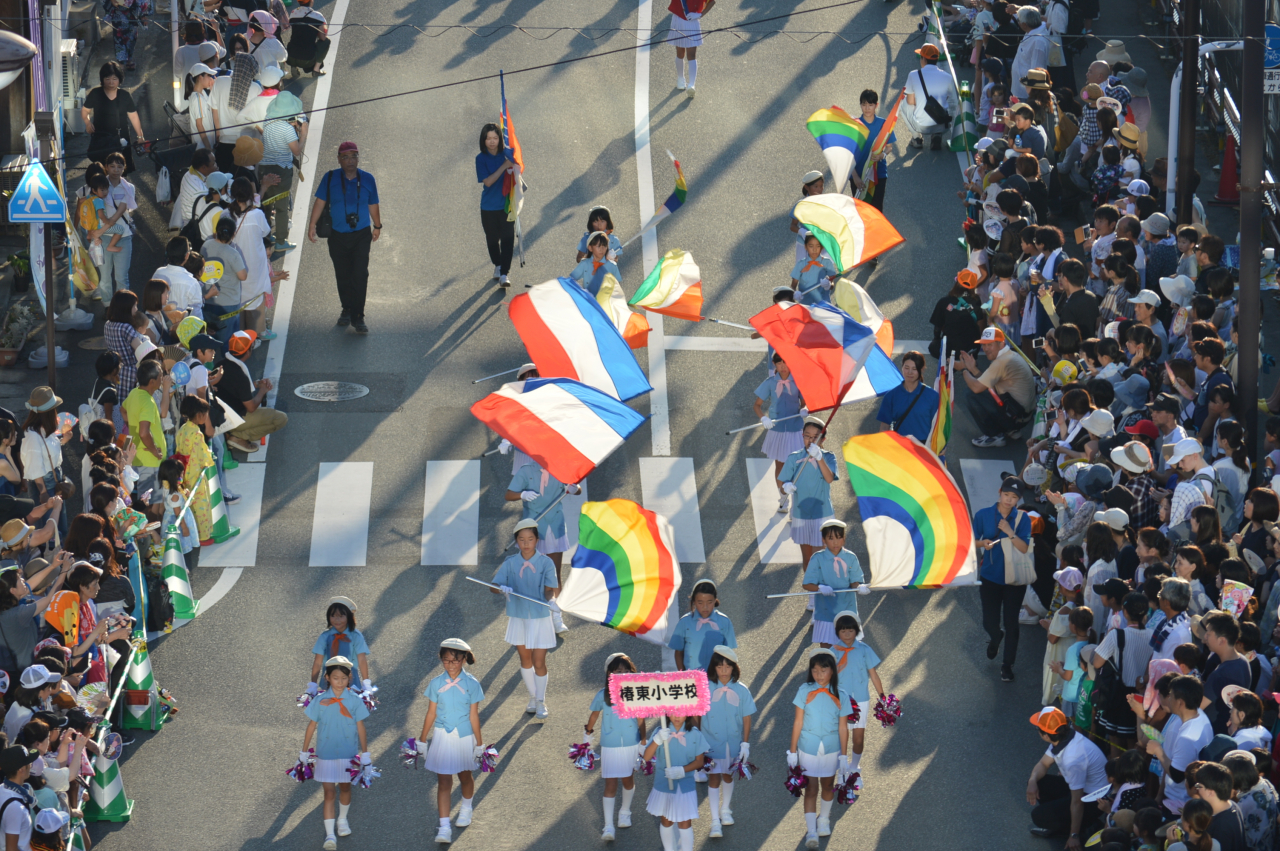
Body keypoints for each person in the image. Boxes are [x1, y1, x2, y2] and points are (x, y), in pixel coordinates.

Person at [417, 638, 485, 846]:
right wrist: (422, 739)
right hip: (442, 736)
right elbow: (431, 713)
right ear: (441, 660)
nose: (451, 665)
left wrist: (479, 744)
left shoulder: (472, 684)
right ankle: (444, 826)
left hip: (465, 737)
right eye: (446, 660)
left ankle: (466, 808)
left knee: (465, 776)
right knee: (444, 782)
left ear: (464, 659)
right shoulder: (436, 683)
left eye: (455, 660)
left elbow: (474, 716)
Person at [309, 142, 381, 332]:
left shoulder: (367, 179)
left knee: (359, 274)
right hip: (337, 235)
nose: (351, 161)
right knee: (343, 274)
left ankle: (359, 316)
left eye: (354, 156)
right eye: (346, 157)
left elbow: (373, 203)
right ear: (339, 159)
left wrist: (378, 226)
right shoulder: (330, 177)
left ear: (358, 158)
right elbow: (320, 201)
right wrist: (311, 225)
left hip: (361, 235)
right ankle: (346, 309)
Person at [491, 519, 558, 718]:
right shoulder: (510, 563)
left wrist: (552, 601)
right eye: (521, 539)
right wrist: (501, 589)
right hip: (518, 617)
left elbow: (549, 591)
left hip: (540, 618)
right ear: (516, 541)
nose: (526, 543)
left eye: (530, 539)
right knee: (525, 660)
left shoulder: (546, 562)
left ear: (537, 540)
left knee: (539, 662)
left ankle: (541, 700)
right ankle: (532, 696)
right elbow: (493, 586)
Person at [302, 655, 371, 851]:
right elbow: (311, 725)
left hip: (348, 753)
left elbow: (361, 727)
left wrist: (365, 754)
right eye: (335, 678)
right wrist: (304, 751)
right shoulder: (320, 700)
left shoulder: (355, 700)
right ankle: (330, 835)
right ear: (327, 678)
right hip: (325, 754)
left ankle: (342, 820)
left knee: (346, 789)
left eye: (343, 678)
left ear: (349, 679)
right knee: (329, 793)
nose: (339, 682)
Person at [505, 461, 578, 633]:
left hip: (555, 527)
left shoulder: (561, 469)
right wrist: (522, 494)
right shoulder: (526, 470)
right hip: (533, 530)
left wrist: (574, 489)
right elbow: (508, 494)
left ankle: (556, 616)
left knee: (554, 574)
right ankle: (532, 616)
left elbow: (577, 488)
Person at [788, 648, 850, 849]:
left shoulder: (841, 694)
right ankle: (811, 831)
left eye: (823, 670)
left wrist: (844, 755)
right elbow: (797, 722)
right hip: (808, 747)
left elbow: (843, 726)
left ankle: (824, 819)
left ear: (832, 670)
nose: (819, 675)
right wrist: (792, 751)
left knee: (828, 785)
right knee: (811, 788)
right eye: (815, 670)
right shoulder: (804, 690)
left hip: (832, 748)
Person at [975, 477, 1033, 681]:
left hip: (1015, 579)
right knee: (989, 622)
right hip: (990, 576)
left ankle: (1007, 665)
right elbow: (970, 541)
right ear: (1000, 492)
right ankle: (994, 637)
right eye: (1006, 495)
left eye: (1014, 497)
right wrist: (983, 544)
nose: (1009, 500)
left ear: (1019, 499)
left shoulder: (1023, 519)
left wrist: (1009, 532)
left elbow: (1024, 548)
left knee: (1012, 623)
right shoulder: (983, 514)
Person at [585, 653, 646, 840]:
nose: (623, 674)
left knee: (628, 780)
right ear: (610, 673)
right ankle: (608, 826)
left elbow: (640, 719)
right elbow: (594, 715)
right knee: (610, 783)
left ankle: (625, 812)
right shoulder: (602, 695)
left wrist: (643, 742)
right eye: (618, 671)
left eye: (627, 671)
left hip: (630, 743)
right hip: (610, 745)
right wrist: (587, 734)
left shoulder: (636, 693)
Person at [1026, 706, 1108, 846]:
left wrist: (1073, 836)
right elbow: (1043, 764)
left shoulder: (1072, 759)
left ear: (1046, 735)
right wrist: (1032, 780)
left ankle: (1079, 829)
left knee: (1039, 816)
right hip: (1082, 789)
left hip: (1094, 800)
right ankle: (1065, 823)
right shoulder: (1066, 736)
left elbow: (1077, 801)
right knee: (1039, 783)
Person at [700, 646, 753, 837]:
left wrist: (745, 743)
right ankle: (715, 820)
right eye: (719, 666)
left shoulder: (741, 690)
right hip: (710, 742)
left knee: (728, 775)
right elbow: (697, 715)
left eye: (727, 666)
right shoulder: (704, 688)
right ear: (713, 667)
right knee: (714, 778)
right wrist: (697, 738)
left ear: (734, 668)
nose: (723, 670)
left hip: (732, 742)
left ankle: (726, 809)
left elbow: (747, 718)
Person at [779, 417, 839, 581]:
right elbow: (782, 481)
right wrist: (785, 487)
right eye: (807, 436)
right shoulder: (794, 458)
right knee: (808, 559)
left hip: (823, 513)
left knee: (820, 557)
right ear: (802, 436)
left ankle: (822, 589)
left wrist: (819, 458)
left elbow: (829, 478)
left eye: (815, 437)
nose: (810, 440)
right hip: (801, 514)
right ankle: (813, 593)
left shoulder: (829, 457)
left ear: (823, 439)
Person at [831, 610, 883, 791]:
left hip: (861, 700)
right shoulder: (832, 652)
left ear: (857, 631)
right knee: (841, 738)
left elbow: (873, 675)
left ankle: (854, 768)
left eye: (850, 630)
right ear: (837, 632)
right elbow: (826, 679)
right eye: (843, 631)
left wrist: (882, 696)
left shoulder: (864, 649)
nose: (847, 634)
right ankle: (841, 770)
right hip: (840, 702)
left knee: (859, 739)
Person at [959, 327, 1037, 448]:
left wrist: (963, 369)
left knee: (970, 394)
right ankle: (1011, 430)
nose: (985, 349)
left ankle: (994, 435)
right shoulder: (1009, 355)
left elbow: (976, 388)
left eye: (989, 345)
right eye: (983, 345)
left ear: (1001, 344)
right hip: (1023, 416)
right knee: (986, 392)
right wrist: (972, 369)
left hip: (1017, 417)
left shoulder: (1001, 362)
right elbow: (987, 383)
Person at [643, 713, 707, 851]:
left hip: (686, 785)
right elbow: (647, 757)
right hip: (663, 784)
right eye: (673, 712)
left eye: (681, 712)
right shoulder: (659, 731)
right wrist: (657, 740)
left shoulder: (695, 734)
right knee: (666, 821)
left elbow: (699, 761)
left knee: (685, 822)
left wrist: (682, 770)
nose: (677, 716)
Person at [219, 330, 288, 453]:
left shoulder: (220, 364)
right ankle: (239, 436)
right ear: (248, 351)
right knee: (281, 418)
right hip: (234, 418)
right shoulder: (241, 376)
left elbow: (233, 387)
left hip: (220, 415)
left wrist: (255, 384)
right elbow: (251, 408)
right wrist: (262, 390)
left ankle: (231, 433)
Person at [802, 520, 868, 646]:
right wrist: (819, 588)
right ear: (824, 540)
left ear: (844, 539)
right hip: (826, 610)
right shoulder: (817, 558)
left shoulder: (851, 557)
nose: (836, 542)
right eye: (831, 538)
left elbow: (855, 582)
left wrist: (860, 587)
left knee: (848, 649)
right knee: (826, 650)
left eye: (839, 538)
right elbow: (807, 584)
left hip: (847, 609)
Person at [755, 354, 806, 512]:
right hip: (777, 429)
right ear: (774, 364)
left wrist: (804, 409)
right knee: (780, 465)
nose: (783, 366)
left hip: (795, 429)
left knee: (798, 466)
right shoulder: (770, 383)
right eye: (779, 363)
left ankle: (795, 500)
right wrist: (763, 418)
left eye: (786, 362)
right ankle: (783, 497)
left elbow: (805, 402)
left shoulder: (798, 381)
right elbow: (757, 405)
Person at [81, 62, 145, 173]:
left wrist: (140, 136)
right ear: (102, 79)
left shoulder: (125, 95)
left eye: (114, 79)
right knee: (101, 171)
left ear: (120, 79)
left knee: (119, 170)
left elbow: (134, 117)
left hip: (121, 138)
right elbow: (85, 110)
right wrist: (87, 122)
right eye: (107, 79)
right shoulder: (95, 93)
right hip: (101, 138)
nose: (111, 82)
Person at [473, 126, 515, 288]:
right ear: (484, 140)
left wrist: (512, 162)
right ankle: (497, 264)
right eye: (488, 138)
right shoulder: (480, 158)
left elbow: (517, 169)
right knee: (492, 239)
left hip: (507, 205)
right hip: (488, 206)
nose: (492, 141)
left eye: (495, 138)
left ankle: (504, 273)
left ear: (500, 139)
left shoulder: (507, 155)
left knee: (507, 239)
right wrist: (505, 166)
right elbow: (488, 182)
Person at [121, 360, 167, 501]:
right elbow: (144, 432)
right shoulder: (147, 402)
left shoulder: (135, 392)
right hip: (149, 462)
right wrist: (153, 450)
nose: (162, 378)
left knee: (152, 500)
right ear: (152, 382)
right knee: (149, 503)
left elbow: (123, 409)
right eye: (160, 376)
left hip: (140, 458)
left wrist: (132, 425)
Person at [261, 110, 306, 251]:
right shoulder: (287, 128)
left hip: (264, 169)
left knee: (266, 206)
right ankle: (281, 241)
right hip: (281, 171)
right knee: (281, 207)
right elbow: (296, 150)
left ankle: (266, 238)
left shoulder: (267, 121)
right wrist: (303, 133)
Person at [668, 579, 736, 673]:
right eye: (700, 602)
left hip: (716, 678)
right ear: (694, 601)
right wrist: (683, 675)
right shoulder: (684, 622)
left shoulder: (725, 622)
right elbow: (678, 652)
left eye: (709, 602)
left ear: (715, 600)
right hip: (692, 677)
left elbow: (729, 654)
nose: (705, 606)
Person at [877, 352, 940, 443]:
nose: (910, 372)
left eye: (914, 369)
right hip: (900, 446)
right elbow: (884, 426)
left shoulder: (932, 396)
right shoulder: (891, 396)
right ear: (902, 367)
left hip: (924, 446)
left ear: (922, 369)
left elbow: (938, 425)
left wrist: (941, 446)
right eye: (906, 368)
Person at [902, 44, 955, 150]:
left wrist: (921, 101)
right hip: (942, 124)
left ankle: (917, 138)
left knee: (903, 101)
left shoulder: (913, 75)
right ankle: (937, 134)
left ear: (923, 59)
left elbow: (910, 101)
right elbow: (948, 98)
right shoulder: (948, 77)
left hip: (922, 126)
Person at [849, 89, 895, 210]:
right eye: (864, 105)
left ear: (876, 105)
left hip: (878, 173)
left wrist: (882, 156)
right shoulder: (855, 125)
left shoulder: (884, 124)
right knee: (860, 211)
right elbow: (848, 154)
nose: (867, 108)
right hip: (858, 175)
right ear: (860, 105)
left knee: (877, 209)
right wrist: (855, 176)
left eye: (870, 105)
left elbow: (889, 147)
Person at [1194, 761, 1246, 851]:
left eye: (1199, 786)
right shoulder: (1232, 805)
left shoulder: (1221, 828)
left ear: (1211, 792)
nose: (1197, 790)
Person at [669, 0, 714, 98]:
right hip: (678, 18)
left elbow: (712, 2)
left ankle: (691, 85)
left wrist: (700, 15)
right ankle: (681, 79)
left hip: (692, 20)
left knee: (692, 55)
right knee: (680, 53)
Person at [1010, 8, 1052, 99]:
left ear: (1024, 24)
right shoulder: (1032, 31)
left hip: (1027, 94)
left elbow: (1037, 70)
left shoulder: (1038, 42)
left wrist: (1033, 97)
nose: (1018, 23)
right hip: (1019, 89)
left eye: (1019, 21)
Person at [286, 0, 330, 77]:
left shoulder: (293, 13)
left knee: (296, 40)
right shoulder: (318, 16)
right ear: (311, 1)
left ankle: (293, 66)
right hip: (307, 59)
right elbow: (323, 37)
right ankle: (316, 70)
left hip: (290, 56)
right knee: (326, 42)